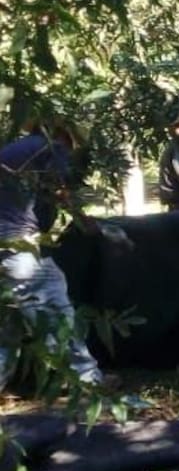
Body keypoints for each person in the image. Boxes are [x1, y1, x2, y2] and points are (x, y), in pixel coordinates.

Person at [0, 121, 104, 391]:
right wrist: (85, 222)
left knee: (9, 320)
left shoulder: (16, 149)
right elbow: (58, 192)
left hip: (5, 243)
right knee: (54, 306)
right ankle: (87, 381)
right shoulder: (51, 147)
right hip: (18, 245)